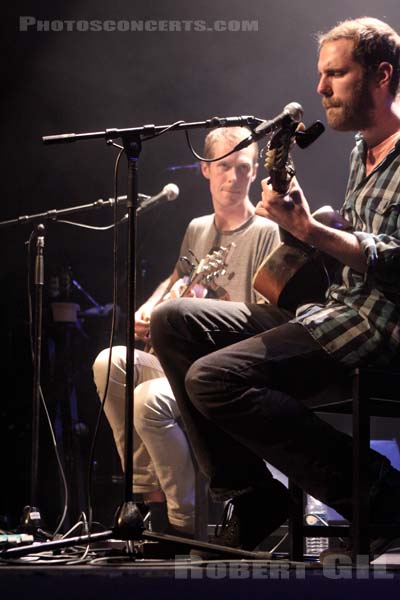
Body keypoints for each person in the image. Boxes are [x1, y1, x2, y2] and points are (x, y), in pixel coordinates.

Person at [150, 16, 400, 559]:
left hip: (379, 328)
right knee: (175, 321)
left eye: (336, 74)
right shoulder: (364, 148)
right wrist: (303, 224)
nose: (320, 89)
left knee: (214, 378)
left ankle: (377, 493)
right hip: (336, 311)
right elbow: (354, 236)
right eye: (320, 74)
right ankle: (252, 496)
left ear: (382, 75)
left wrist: (312, 230)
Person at [92, 126, 280, 538]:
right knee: (110, 363)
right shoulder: (197, 228)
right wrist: (152, 305)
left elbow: (269, 316)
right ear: (205, 170)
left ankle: (182, 526)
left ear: (254, 172)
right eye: (225, 167)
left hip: (218, 370)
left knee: (146, 400)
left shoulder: (266, 231)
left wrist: (197, 313)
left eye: (244, 169)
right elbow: (179, 275)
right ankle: (148, 501)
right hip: (175, 362)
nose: (234, 178)